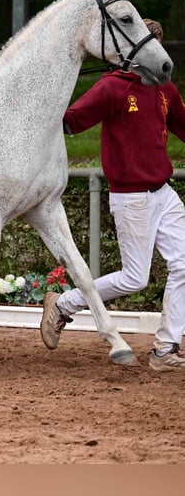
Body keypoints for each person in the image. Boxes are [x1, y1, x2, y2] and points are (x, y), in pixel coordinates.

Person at [40, 19, 185, 371]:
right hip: (131, 196)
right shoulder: (111, 88)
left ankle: (165, 349)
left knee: (184, 265)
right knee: (135, 278)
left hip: (164, 194)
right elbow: (70, 121)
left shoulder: (166, 90)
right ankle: (63, 304)